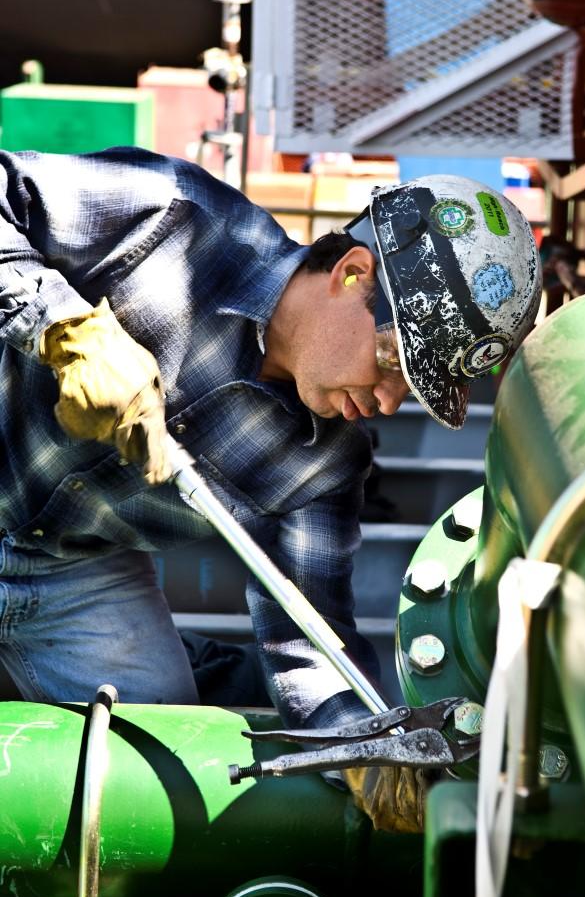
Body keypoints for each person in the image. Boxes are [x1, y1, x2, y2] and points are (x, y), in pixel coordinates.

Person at [0, 148, 541, 830]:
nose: (384, 401)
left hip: (69, 574)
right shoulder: (171, 219)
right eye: (392, 363)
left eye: (409, 393)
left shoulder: (326, 464)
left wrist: (369, 753)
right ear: (351, 274)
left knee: (143, 792)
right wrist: (60, 328)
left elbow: (307, 641)